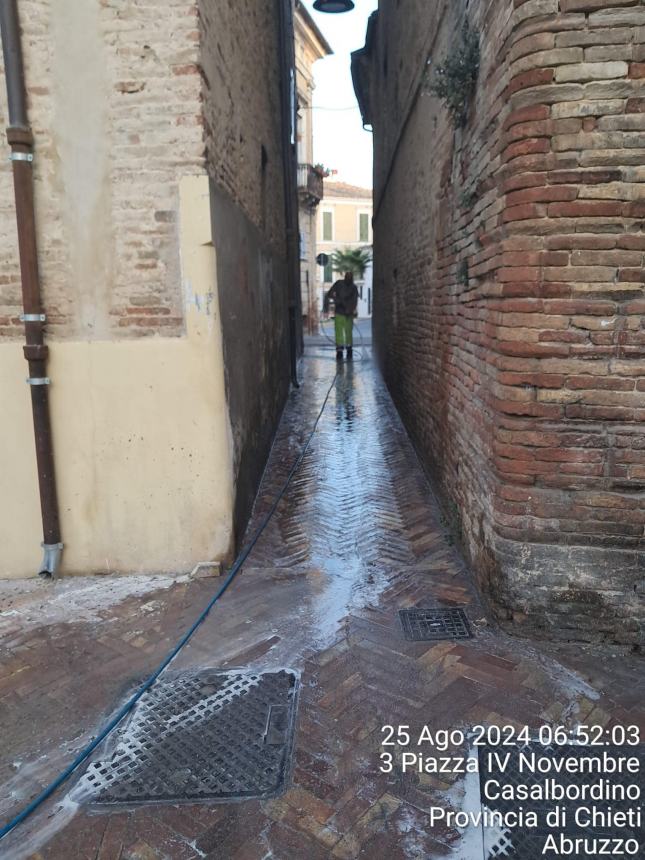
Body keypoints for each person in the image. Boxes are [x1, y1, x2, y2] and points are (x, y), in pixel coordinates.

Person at [324, 271, 359, 361]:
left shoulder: (354, 288)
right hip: (339, 312)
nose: (349, 279)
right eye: (347, 277)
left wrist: (350, 309)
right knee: (339, 331)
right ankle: (339, 350)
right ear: (345, 277)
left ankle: (349, 349)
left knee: (348, 332)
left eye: (350, 277)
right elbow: (329, 294)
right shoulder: (339, 284)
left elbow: (355, 300)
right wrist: (337, 300)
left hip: (348, 314)